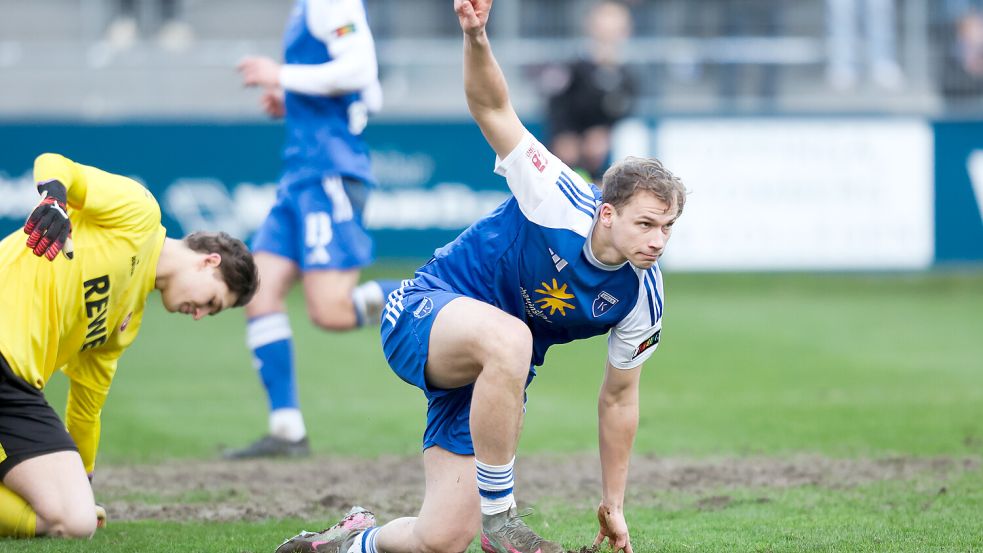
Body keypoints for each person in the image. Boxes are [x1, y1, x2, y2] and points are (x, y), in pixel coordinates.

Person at [275, 1, 686, 552]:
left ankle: (348, 542)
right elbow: (492, 107)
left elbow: (619, 399)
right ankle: (502, 517)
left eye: (667, 227)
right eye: (646, 224)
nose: (657, 240)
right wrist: (476, 35)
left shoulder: (642, 297)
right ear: (606, 214)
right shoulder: (556, 194)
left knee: (441, 539)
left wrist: (614, 503)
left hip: (494, 379)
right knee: (511, 338)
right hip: (423, 311)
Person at [0, 153, 259, 539]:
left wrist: (82, 484)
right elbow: (55, 163)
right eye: (212, 302)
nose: (199, 315)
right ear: (209, 262)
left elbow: (85, 411)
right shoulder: (139, 214)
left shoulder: (125, 324)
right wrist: (54, 198)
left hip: (16, 390)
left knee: (75, 522)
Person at [223, 0, 398, 460]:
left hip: (329, 175)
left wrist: (284, 77)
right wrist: (296, 101)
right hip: (300, 177)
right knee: (256, 290)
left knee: (332, 311)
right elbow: (368, 96)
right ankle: (287, 432)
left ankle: (445, 293)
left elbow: (361, 72)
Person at [541, 0, 637, 182]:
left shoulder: (627, 77)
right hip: (566, 157)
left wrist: (605, 132)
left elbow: (623, 110)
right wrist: (563, 135)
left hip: (602, 160)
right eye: (604, 24)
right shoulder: (572, 67)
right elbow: (555, 103)